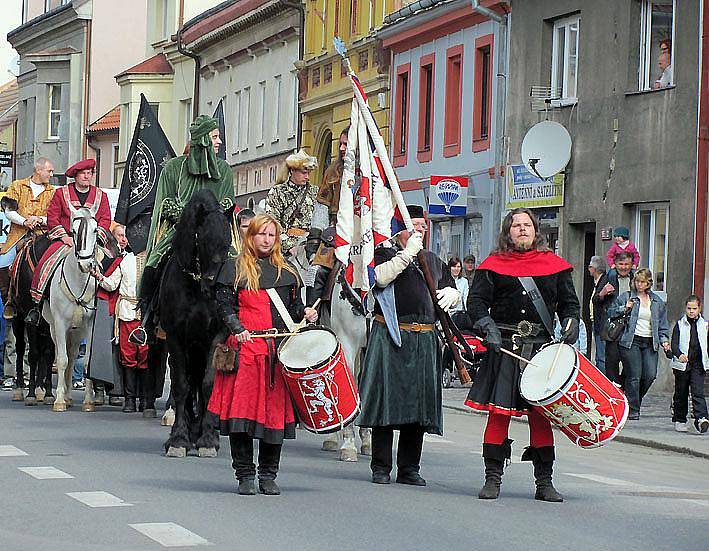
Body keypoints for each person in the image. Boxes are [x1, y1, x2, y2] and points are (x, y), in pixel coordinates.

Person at [466, 207, 580, 502]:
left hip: (541, 349)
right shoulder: (493, 265)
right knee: (498, 414)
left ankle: (544, 483)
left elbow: (570, 305)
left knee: (541, 416)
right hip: (504, 345)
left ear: (535, 230)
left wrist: (571, 324)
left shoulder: (554, 266)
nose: (522, 229)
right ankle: (492, 479)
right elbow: (476, 302)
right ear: (508, 232)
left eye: (526, 224)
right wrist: (485, 324)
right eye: (516, 225)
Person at [209, 213, 318, 496]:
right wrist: (237, 327)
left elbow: (293, 313)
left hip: (276, 353)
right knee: (241, 419)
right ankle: (245, 474)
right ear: (251, 236)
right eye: (261, 234)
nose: (267, 240)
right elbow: (223, 306)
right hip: (245, 351)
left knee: (274, 418)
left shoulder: (289, 271)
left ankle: (268, 475)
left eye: (271, 235)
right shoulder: (233, 269)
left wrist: (306, 313)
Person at [358, 205, 460, 487]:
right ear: (398, 229)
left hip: (424, 338)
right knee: (385, 404)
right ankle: (380, 466)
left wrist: (452, 293)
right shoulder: (383, 254)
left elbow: (450, 285)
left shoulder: (432, 259)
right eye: (414, 225)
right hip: (392, 334)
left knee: (418, 407)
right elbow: (378, 278)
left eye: (423, 226)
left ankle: (409, 468)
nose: (420, 230)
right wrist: (406, 255)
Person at [134, 115, 236, 345]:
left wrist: (213, 215)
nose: (219, 142)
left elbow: (228, 201)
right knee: (154, 263)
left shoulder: (224, 170)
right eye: (215, 137)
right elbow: (166, 202)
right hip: (179, 231)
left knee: (237, 265)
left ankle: (239, 318)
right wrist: (190, 215)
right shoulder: (173, 168)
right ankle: (147, 318)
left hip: (214, 233)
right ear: (203, 140)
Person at [26, 159, 111, 325]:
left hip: (91, 242)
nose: (87, 176)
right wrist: (64, 237)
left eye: (90, 173)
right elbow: (53, 217)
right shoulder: (61, 193)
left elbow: (105, 219)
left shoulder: (101, 196)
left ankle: (106, 304)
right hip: (66, 241)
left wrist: (94, 239)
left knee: (111, 263)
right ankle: (38, 302)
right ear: (76, 176)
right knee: (46, 262)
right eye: (84, 173)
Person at [92, 224, 150, 413]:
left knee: (144, 356)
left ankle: (143, 399)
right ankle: (130, 399)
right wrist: (99, 277)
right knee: (128, 356)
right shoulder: (124, 261)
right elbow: (111, 284)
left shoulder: (152, 261)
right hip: (127, 312)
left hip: (146, 315)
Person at [609, 268, 670, 420]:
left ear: (648, 283)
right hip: (631, 341)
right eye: (637, 281)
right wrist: (625, 308)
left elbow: (662, 325)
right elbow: (610, 312)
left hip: (650, 342)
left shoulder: (657, 302)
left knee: (650, 375)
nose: (639, 285)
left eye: (642, 282)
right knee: (634, 375)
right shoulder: (627, 297)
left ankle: (632, 398)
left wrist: (665, 341)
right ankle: (633, 409)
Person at [0, 157, 56, 319]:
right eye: (49, 171)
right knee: (4, 262)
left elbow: (54, 214)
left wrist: (40, 220)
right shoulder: (18, 185)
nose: (51, 175)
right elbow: (9, 210)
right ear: (39, 170)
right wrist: (24, 221)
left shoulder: (52, 191)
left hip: (43, 236)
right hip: (19, 235)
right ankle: (9, 299)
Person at [265, 149, 318, 253]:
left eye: (308, 173)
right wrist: (288, 246)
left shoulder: (315, 192)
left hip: (310, 246)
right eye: (303, 173)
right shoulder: (278, 192)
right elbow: (272, 221)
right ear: (292, 170)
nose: (307, 177)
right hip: (283, 247)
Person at [669, 295, 709, 433]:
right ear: (685, 308)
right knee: (681, 392)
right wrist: (679, 354)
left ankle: (701, 418)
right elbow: (674, 343)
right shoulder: (680, 324)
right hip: (682, 364)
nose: (691, 311)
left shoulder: (704, 325)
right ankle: (680, 419)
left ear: (699, 309)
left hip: (698, 363)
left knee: (698, 391)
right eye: (689, 308)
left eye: (694, 308)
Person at [599, 251, 635, 385]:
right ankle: (614, 390)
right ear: (615, 264)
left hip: (632, 326)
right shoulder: (609, 277)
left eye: (627, 264)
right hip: (614, 326)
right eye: (621, 264)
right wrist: (602, 293)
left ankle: (624, 388)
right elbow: (595, 300)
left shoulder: (636, 278)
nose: (624, 267)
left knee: (631, 363)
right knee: (612, 361)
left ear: (632, 265)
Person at [588, 255, 609, 373]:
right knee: (598, 355)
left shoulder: (604, 281)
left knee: (602, 357)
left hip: (601, 324)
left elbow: (596, 300)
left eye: (590, 267)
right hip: (596, 322)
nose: (588, 269)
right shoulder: (597, 282)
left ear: (594, 269)